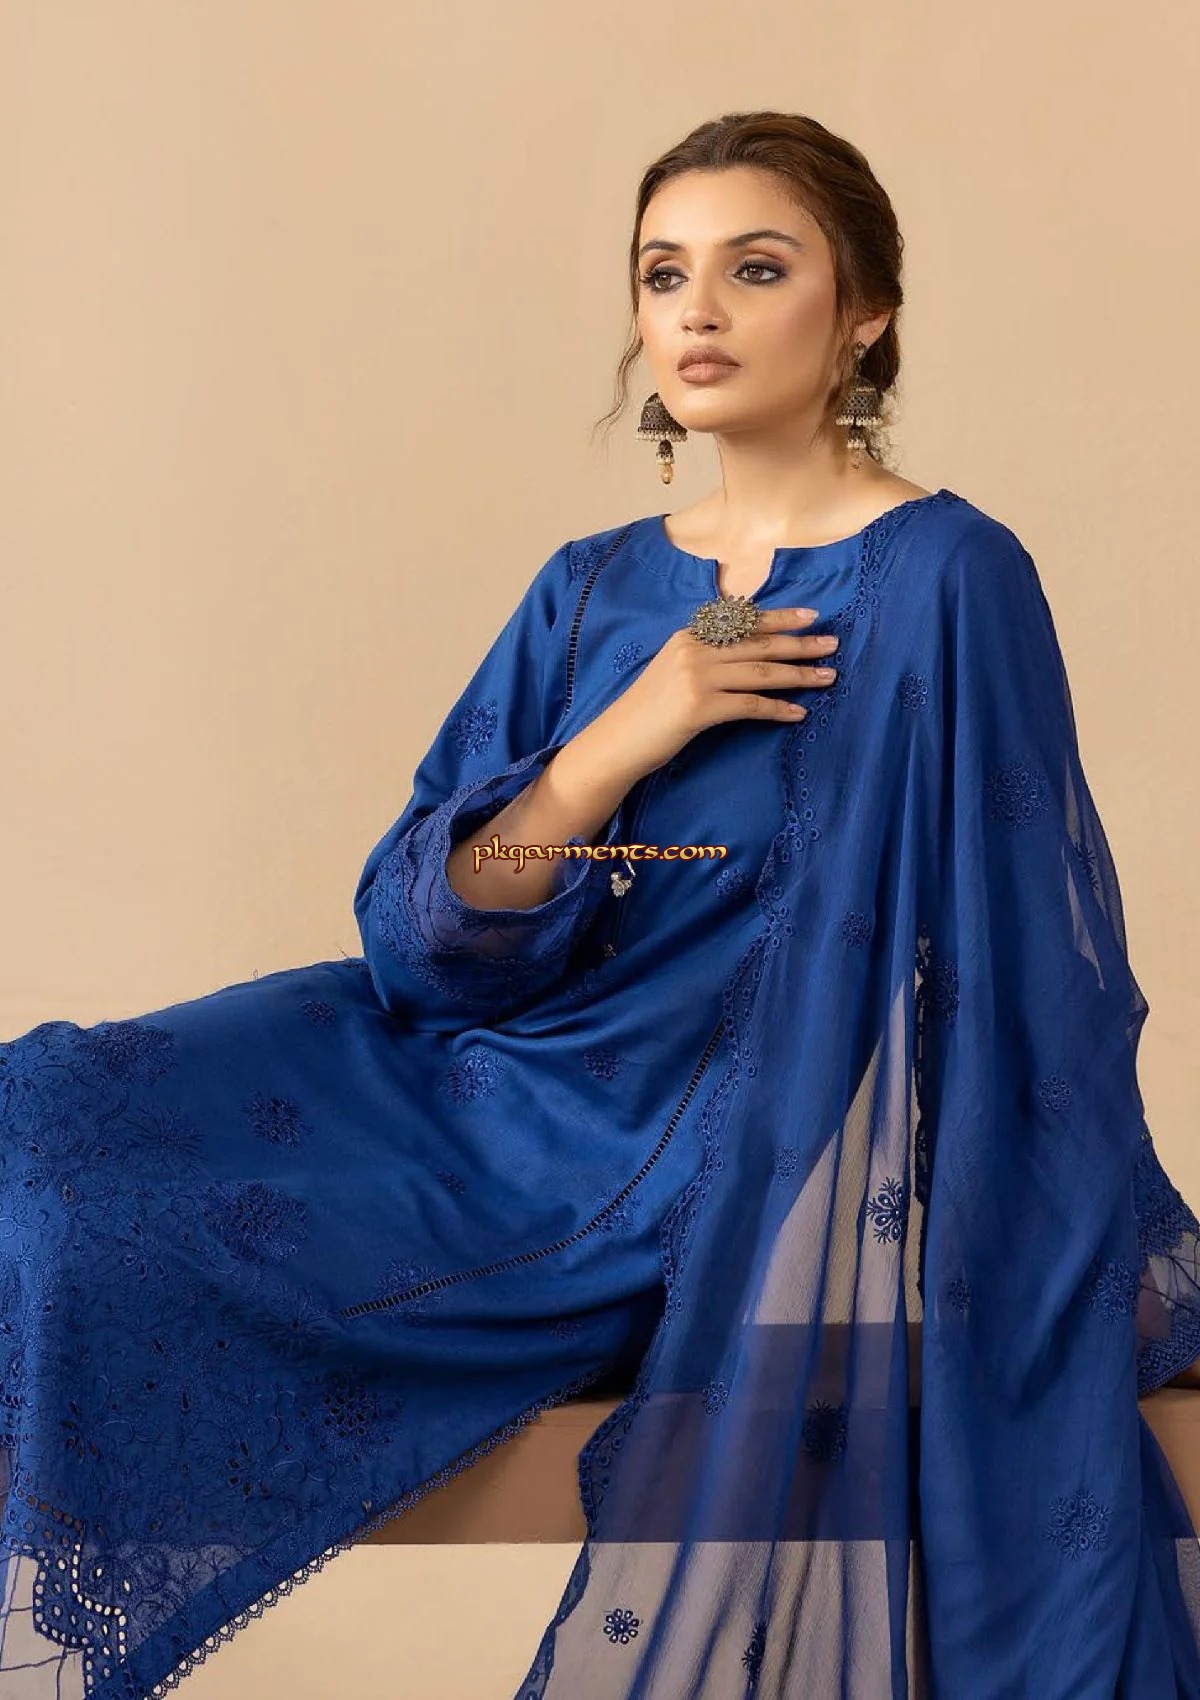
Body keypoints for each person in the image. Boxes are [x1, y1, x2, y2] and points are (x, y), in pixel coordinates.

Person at [3, 109, 1199, 1699]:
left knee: (99, 1236)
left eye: (755, 269)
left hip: (672, 1160)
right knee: (36, 1117)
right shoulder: (589, 585)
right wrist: (628, 733)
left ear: (864, 312)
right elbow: (421, 945)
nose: (697, 311)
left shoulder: (946, 577)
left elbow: (1028, 963)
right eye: (663, 274)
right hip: (451, 1077)